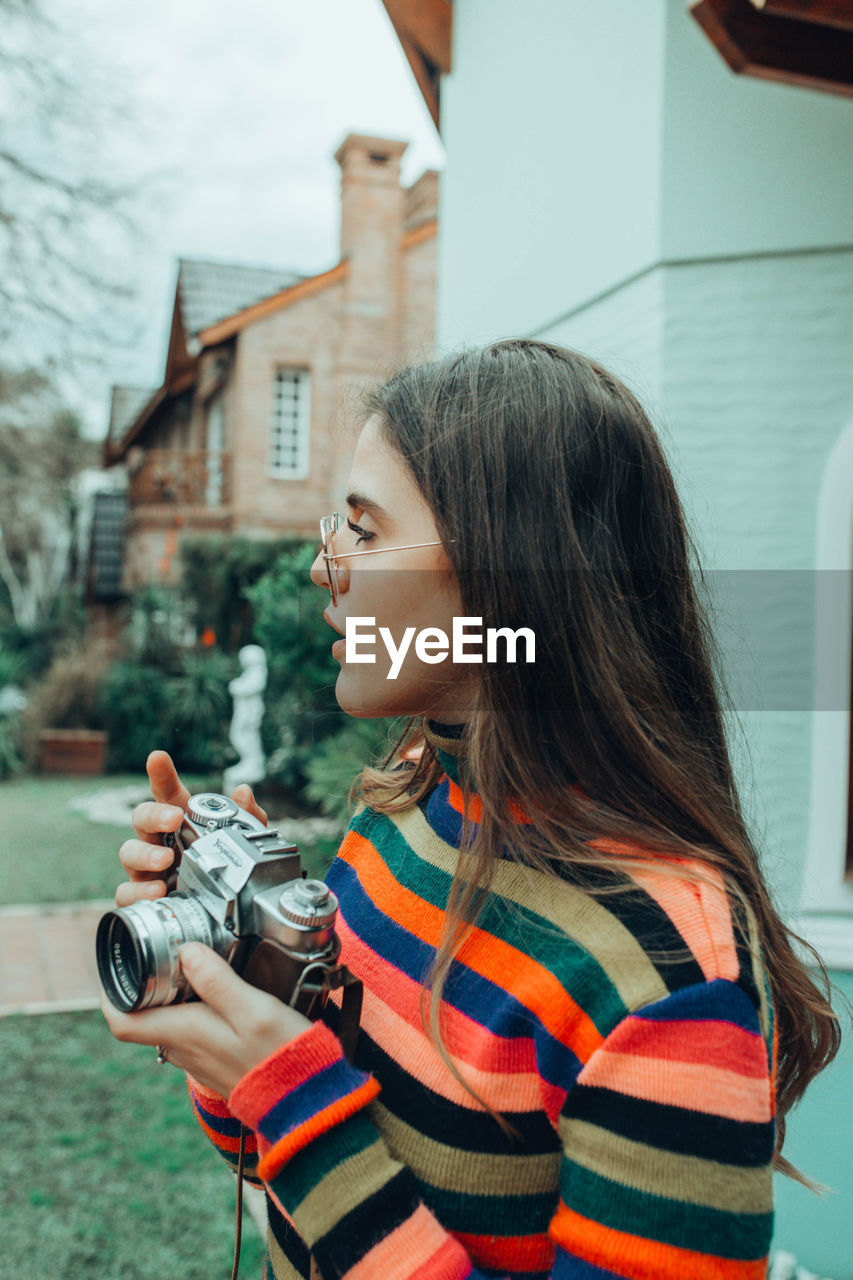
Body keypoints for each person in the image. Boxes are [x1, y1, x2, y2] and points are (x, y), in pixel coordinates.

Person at [104, 340, 840, 1280]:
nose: (323, 567)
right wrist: (232, 980)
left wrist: (290, 1098)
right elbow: (286, 1169)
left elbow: (306, 1129)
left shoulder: (661, 969)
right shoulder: (405, 805)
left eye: (364, 532)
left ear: (508, 573)